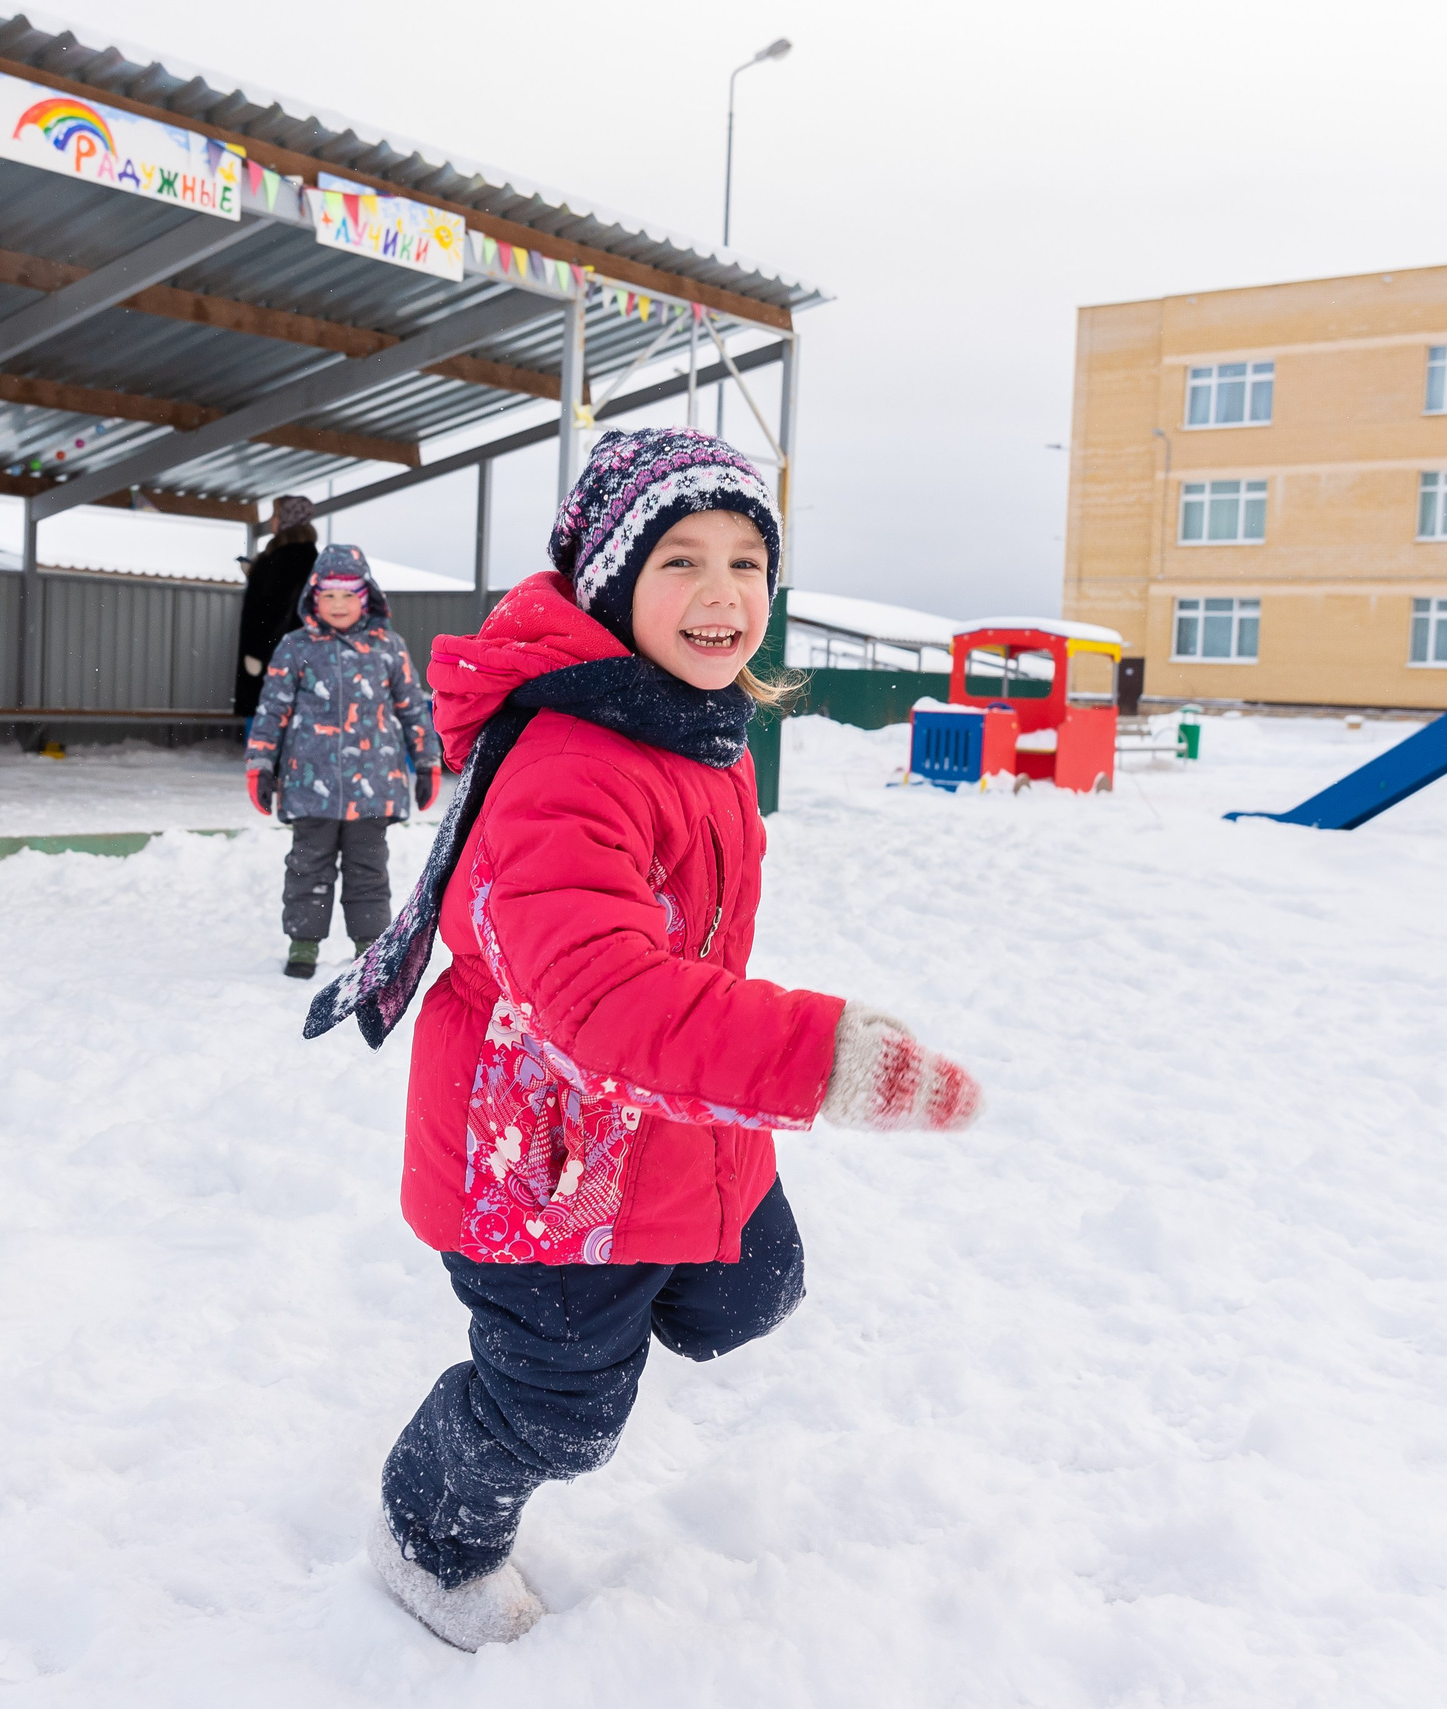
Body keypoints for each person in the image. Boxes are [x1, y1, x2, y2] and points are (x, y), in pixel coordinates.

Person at [302, 428, 984, 1652]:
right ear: (614, 587)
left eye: (745, 560)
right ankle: (427, 1536)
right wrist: (820, 1055)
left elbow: (677, 967)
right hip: (542, 1150)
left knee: (754, 1283)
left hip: (658, 1102)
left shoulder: (686, 723)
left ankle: (652, 1287)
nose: (723, 593)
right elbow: (604, 996)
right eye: (681, 559)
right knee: (564, 1411)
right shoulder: (573, 760)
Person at [245, 544, 438, 978]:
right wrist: (261, 764)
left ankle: (369, 946)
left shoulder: (388, 647)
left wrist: (426, 762)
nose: (337, 605)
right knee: (307, 866)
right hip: (309, 785)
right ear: (314, 599)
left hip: (374, 784)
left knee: (368, 869)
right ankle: (303, 945)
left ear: (365, 597)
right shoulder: (296, 648)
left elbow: (412, 707)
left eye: (347, 596)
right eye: (328, 596)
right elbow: (271, 710)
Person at [233, 495, 318, 718]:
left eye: (275, 515)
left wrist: (258, 653)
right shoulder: (306, 556)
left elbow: (276, 609)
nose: (271, 520)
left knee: (269, 717)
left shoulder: (284, 559)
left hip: (274, 658)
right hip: (293, 657)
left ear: (287, 520)